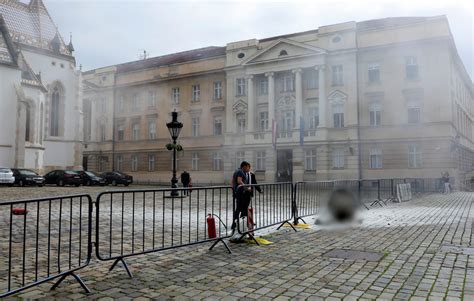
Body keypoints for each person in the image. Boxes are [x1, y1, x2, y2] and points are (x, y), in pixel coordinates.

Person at [229, 161, 251, 242]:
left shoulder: (237, 171)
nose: (249, 169)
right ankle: (238, 226)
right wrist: (247, 187)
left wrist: (234, 189)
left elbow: (232, 182)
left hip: (237, 192)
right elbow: (239, 181)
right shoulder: (240, 172)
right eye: (248, 167)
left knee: (238, 209)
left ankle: (236, 225)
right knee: (240, 209)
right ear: (244, 166)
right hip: (240, 193)